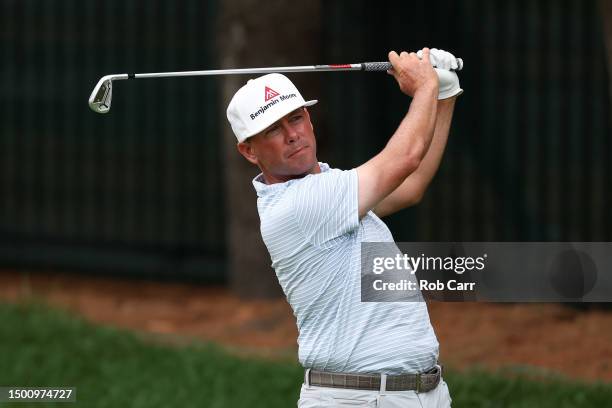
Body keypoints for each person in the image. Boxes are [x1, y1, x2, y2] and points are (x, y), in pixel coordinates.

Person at [226, 48, 462, 408]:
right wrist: (425, 87)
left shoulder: (333, 188)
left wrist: (443, 96)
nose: (293, 135)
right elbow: (405, 158)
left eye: (296, 118)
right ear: (249, 151)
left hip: (415, 393)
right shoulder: (297, 205)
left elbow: (410, 187)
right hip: (360, 398)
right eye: (274, 129)